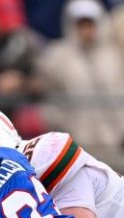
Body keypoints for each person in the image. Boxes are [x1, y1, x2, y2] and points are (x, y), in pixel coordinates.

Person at [38, 0, 124, 150]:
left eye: (90, 24)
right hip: (76, 141)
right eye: (81, 25)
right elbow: (47, 95)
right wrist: (61, 126)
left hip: (114, 140)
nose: (86, 30)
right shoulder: (57, 56)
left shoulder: (114, 55)